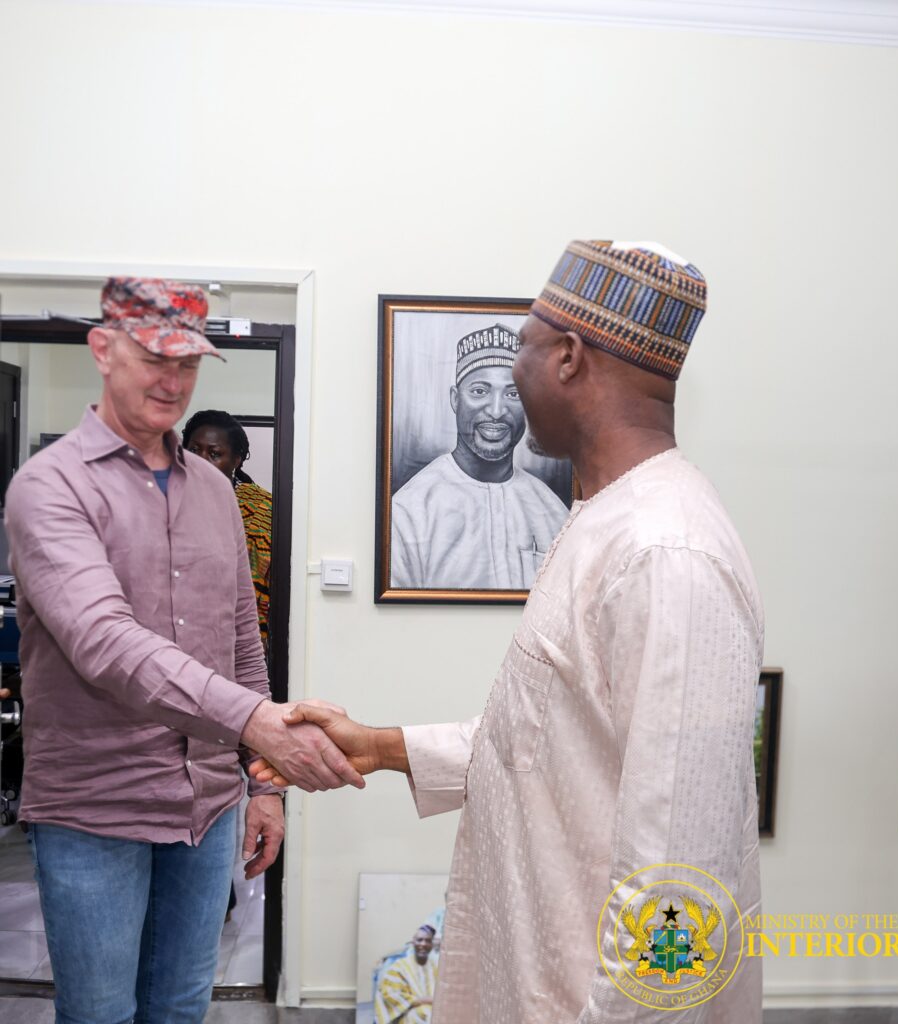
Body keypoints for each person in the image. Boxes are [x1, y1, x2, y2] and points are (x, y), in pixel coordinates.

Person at [256, 242, 764, 1022]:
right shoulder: (606, 517)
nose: (515, 378)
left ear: (567, 357)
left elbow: (679, 871)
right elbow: (548, 739)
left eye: (522, 347)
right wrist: (381, 747)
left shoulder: (665, 551)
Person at [4, 277, 364, 1024]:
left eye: (188, 363)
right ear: (103, 350)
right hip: (94, 808)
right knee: (99, 1014)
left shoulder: (213, 490)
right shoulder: (49, 487)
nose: (172, 381)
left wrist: (264, 785)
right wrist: (257, 724)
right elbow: (104, 641)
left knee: (179, 1009)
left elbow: (240, 639)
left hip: (206, 807)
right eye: (152, 359)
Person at [390, 323, 568, 590]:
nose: (496, 411)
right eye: (480, 391)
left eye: (513, 394)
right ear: (455, 399)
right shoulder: (410, 512)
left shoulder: (552, 511)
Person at [183, 410, 272, 649]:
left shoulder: (262, 510)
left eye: (214, 454)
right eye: (193, 451)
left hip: (240, 639)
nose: (201, 461)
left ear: (237, 460)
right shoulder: (164, 501)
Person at [374, 925, 438, 1024]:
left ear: (432, 945)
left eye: (428, 941)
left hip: (434, 1009)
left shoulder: (435, 967)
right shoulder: (399, 967)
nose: (423, 944)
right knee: (428, 1013)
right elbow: (389, 994)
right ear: (413, 942)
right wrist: (423, 1000)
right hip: (407, 1013)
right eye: (420, 940)